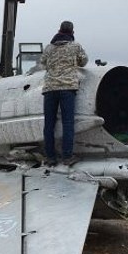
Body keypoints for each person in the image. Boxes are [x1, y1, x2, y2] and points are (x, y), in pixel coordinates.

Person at [40, 20, 88, 166]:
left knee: (49, 124)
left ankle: (50, 157)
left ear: (59, 30)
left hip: (50, 89)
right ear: (72, 32)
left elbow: (42, 63)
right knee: (68, 123)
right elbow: (84, 61)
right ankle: (67, 157)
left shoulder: (49, 48)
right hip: (67, 88)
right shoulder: (75, 46)